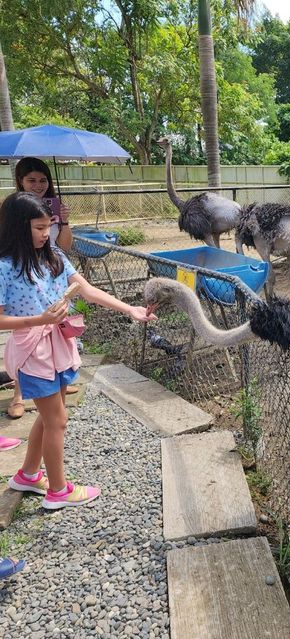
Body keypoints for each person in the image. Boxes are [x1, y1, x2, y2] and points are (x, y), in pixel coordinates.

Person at [0, 192, 156, 509]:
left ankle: (29, 474)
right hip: (34, 350)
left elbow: (87, 289)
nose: (46, 234)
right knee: (57, 420)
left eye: (48, 226)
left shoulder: (53, 255)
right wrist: (40, 319)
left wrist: (130, 309)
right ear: (18, 227)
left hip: (59, 343)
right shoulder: (4, 267)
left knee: (49, 416)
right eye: (39, 228)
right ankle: (58, 491)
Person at [7, 157, 76, 419]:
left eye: (43, 180)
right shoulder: (13, 211)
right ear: (20, 182)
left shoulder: (54, 209)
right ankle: (19, 392)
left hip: (53, 270)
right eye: (31, 180)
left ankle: (54, 381)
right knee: (27, 339)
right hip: (26, 277)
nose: (38, 185)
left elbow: (64, 247)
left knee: (57, 332)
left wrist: (65, 222)